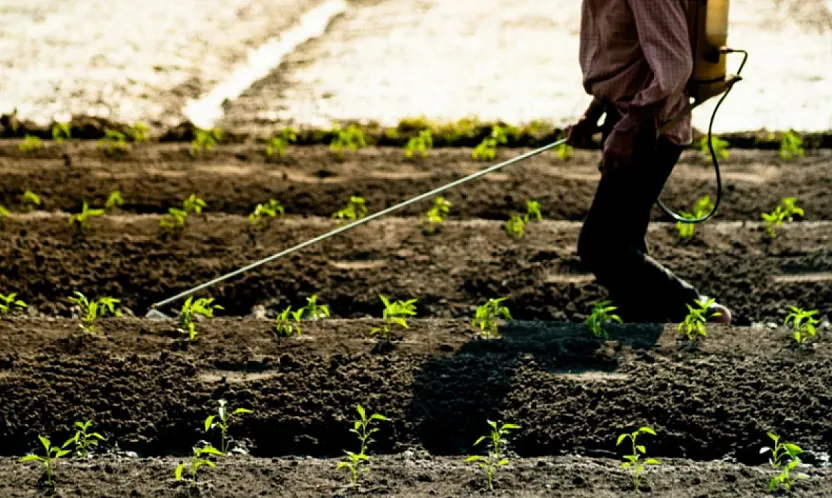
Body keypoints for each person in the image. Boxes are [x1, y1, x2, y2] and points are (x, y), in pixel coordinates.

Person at [564, 0, 732, 324]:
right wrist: (592, 115)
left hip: (650, 127)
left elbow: (674, 66)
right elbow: (628, 58)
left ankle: (701, 310)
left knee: (601, 245)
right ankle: (641, 325)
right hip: (627, 118)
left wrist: (629, 130)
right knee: (623, 241)